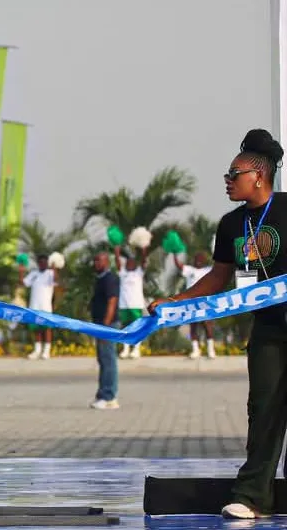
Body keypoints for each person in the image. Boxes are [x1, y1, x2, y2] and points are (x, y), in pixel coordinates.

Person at [149, 128, 287, 520]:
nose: (227, 181)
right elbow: (218, 278)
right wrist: (174, 302)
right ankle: (253, 497)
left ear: (258, 175)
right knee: (264, 409)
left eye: (234, 173)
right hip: (268, 331)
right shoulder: (230, 225)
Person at [89, 251, 121, 410]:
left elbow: (112, 301)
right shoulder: (100, 279)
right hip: (99, 324)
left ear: (107, 262)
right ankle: (102, 394)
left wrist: (105, 327)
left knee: (108, 360)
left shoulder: (110, 279)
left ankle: (110, 396)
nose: (96, 263)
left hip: (107, 325)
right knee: (102, 359)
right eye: (95, 260)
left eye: (99, 260)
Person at [172, 251, 217, 359]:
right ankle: (195, 350)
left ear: (205, 261)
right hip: (191, 302)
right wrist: (174, 253)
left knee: (207, 325)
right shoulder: (189, 270)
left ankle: (210, 349)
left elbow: (219, 267)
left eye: (201, 259)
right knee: (193, 326)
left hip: (204, 302)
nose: (198, 260)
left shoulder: (208, 270)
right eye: (197, 258)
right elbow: (179, 266)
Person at [17, 254, 59, 360]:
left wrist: (54, 268)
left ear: (47, 263)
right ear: (38, 263)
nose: (42, 264)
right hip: (34, 306)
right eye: (40, 262)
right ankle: (37, 350)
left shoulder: (50, 273)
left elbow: (56, 280)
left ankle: (46, 351)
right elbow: (23, 283)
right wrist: (21, 271)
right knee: (36, 329)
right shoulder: (34, 273)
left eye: (44, 262)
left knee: (47, 329)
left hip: (46, 307)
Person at [115, 244, 148, 359]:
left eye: (131, 263)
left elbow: (144, 262)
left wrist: (144, 250)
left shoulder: (139, 273)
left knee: (137, 327)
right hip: (124, 305)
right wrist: (117, 251)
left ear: (135, 265)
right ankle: (125, 349)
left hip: (136, 305)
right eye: (127, 263)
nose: (129, 264)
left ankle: (136, 349)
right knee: (125, 327)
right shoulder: (123, 273)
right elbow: (118, 263)